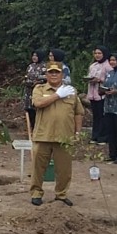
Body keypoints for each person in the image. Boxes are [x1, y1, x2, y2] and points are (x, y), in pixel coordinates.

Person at [29, 61, 84, 205]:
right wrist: (57, 95)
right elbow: (38, 103)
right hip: (43, 135)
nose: (54, 75)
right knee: (38, 168)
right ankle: (36, 193)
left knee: (64, 170)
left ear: (62, 74)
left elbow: (78, 113)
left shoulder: (71, 91)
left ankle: (61, 195)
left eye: (57, 72)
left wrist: (77, 132)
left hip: (64, 136)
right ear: (46, 74)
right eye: (51, 72)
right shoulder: (39, 89)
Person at [86, 46, 112, 144]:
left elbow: (111, 80)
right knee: (96, 116)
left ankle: (103, 137)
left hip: (102, 94)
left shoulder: (108, 66)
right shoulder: (93, 65)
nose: (97, 55)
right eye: (96, 53)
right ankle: (95, 136)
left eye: (99, 53)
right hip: (92, 93)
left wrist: (100, 80)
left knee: (103, 116)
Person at [23, 50, 47, 131]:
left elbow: (46, 78)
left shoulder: (45, 66)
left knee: (37, 110)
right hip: (29, 91)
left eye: (36, 55)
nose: (34, 57)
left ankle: (39, 129)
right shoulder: (30, 66)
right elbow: (26, 76)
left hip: (39, 91)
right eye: (33, 55)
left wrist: (38, 82)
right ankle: (32, 129)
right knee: (30, 111)